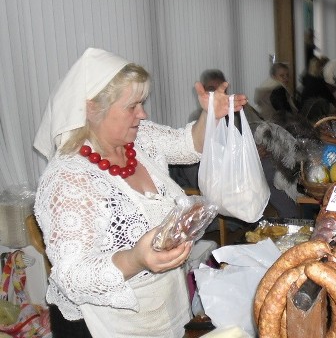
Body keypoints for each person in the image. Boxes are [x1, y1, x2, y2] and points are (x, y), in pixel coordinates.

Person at [33, 47, 246, 338]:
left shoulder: (140, 138)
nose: (142, 114)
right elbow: (71, 276)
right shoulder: (69, 178)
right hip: (104, 323)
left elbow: (189, 145)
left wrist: (209, 116)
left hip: (164, 305)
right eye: (132, 106)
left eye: (142, 103)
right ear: (93, 109)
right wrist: (135, 259)